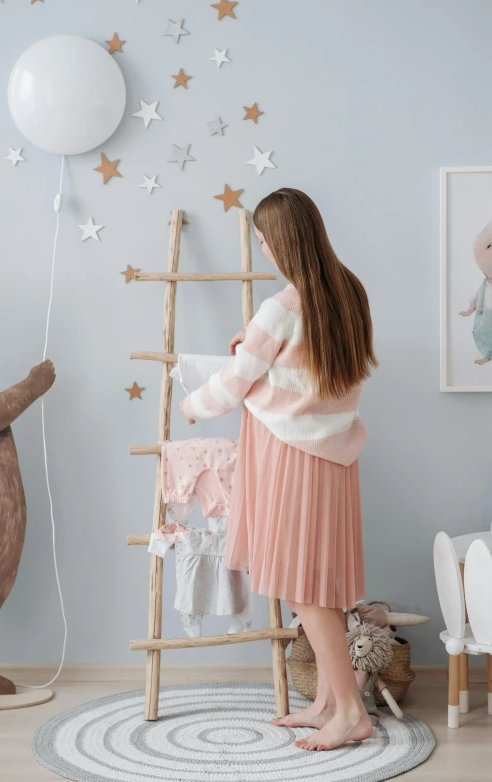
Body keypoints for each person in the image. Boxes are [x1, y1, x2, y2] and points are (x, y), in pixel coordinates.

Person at [179, 188, 377, 751]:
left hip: (291, 458)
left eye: (263, 240)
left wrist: (191, 404)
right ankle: (330, 702)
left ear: (281, 241)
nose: (262, 249)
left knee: (305, 588)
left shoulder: (280, 309)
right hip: (333, 457)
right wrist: (252, 350)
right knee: (318, 584)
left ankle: (351, 715)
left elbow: (236, 383)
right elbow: (311, 370)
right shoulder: (349, 292)